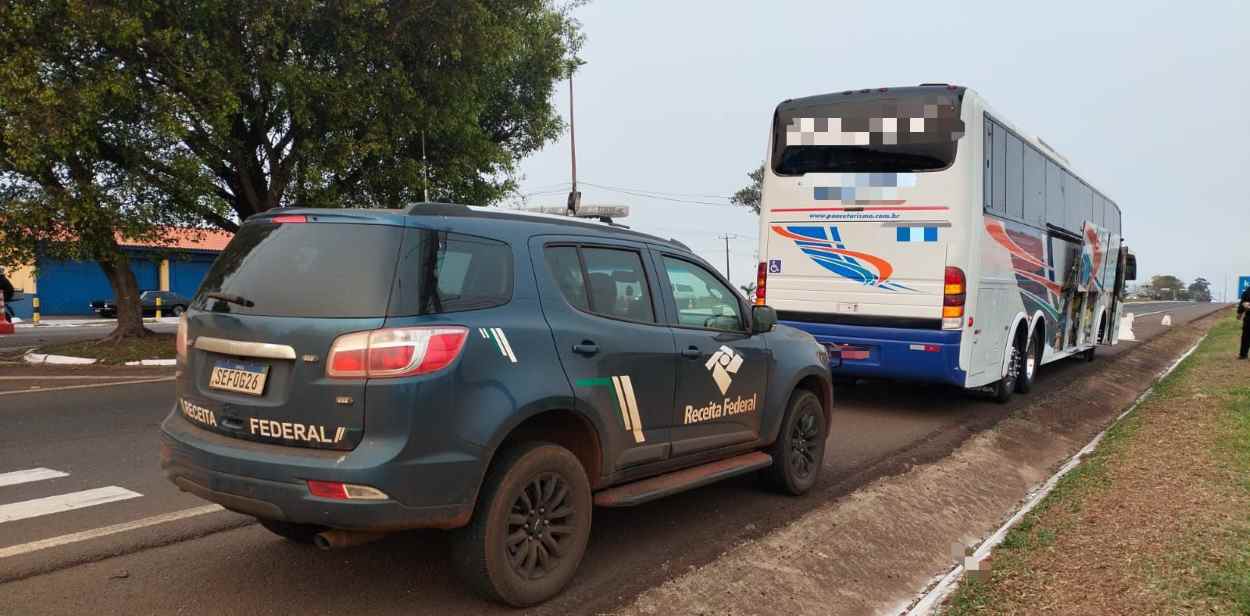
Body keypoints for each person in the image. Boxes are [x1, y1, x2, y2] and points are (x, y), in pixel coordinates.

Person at [1239, 284, 1250, 359]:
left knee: (1246, 336)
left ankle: (1243, 354)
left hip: (1249, 317)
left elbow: (1243, 303)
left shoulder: (1247, 291)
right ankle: (1243, 354)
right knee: (1246, 336)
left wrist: (1239, 314)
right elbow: (1243, 303)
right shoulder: (1247, 291)